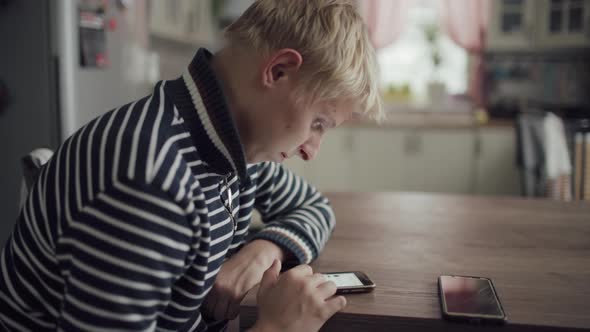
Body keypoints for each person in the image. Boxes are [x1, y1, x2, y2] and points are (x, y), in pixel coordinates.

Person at [0, 0, 382, 331]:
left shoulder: (234, 146)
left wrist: (263, 248)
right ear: (278, 71)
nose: (312, 150)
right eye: (318, 123)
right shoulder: (150, 179)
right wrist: (276, 328)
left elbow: (314, 207)